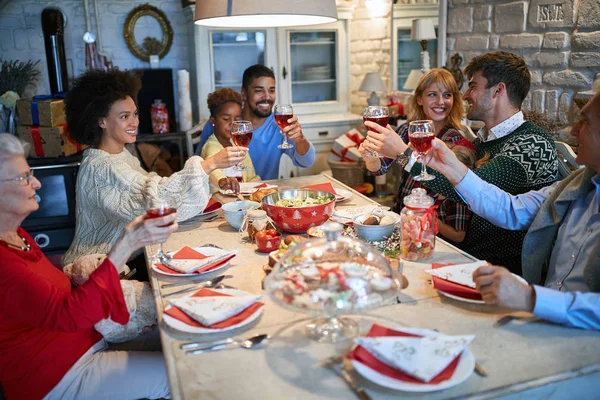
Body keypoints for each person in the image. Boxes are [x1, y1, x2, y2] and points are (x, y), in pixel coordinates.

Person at [0, 133, 175, 399]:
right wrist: (125, 245)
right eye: (24, 178)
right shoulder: (4, 264)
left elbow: (52, 295)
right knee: (177, 376)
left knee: (181, 339)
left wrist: (126, 318)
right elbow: (69, 315)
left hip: (88, 340)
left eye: (30, 173)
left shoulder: (17, 236)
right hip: (57, 377)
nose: (36, 183)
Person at [363, 52, 559, 274]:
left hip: (499, 268)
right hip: (460, 253)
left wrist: (403, 154)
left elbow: (472, 190)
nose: (465, 95)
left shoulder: (531, 144)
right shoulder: (483, 140)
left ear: (498, 91)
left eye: (473, 86)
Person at [422, 91, 600, 330]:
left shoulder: (530, 141)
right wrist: (453, 169)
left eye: (585, 121)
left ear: (499, 91)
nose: (573, 131)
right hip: (540, 321)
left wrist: (530, 297)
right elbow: (511, 209)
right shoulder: (578, 185)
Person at [62, 69, 248, 266]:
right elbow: (156, 201)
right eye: (124, 116)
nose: (135, 122)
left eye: (135, 114)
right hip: (100, 269)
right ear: (101, 121)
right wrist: (210, 164)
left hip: (127, 259)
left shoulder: (118, 155)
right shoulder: (102, 167)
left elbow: (150, 184)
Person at [358, 68, 465, 213]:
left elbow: (444, 185)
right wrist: (370, 158)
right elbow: (381, 168)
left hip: (428, 220)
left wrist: (402, 154)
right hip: (401, 212)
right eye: (432, 94)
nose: (441, 102)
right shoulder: (407, 130)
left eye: (447, 95)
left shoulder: (454, 139)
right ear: (419, 99)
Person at [196, 64, 316, 180]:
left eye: (271, 90)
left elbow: (306, 162)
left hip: (264, 194)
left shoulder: (279, 125)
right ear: (244, 93)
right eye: (259, 91)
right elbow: (199, 166)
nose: (267, 97)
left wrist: (300, 139)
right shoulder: (220, 124)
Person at [200, 88, 261, 194]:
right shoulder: (211, 146)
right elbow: (213, 171)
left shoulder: (238, 144)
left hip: (241, 201)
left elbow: (251, 177)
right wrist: (223, 181)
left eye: (237, 120)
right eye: (226, 119)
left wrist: (260, 189)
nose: (232, 124)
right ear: (213, 120)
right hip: (219, 202)